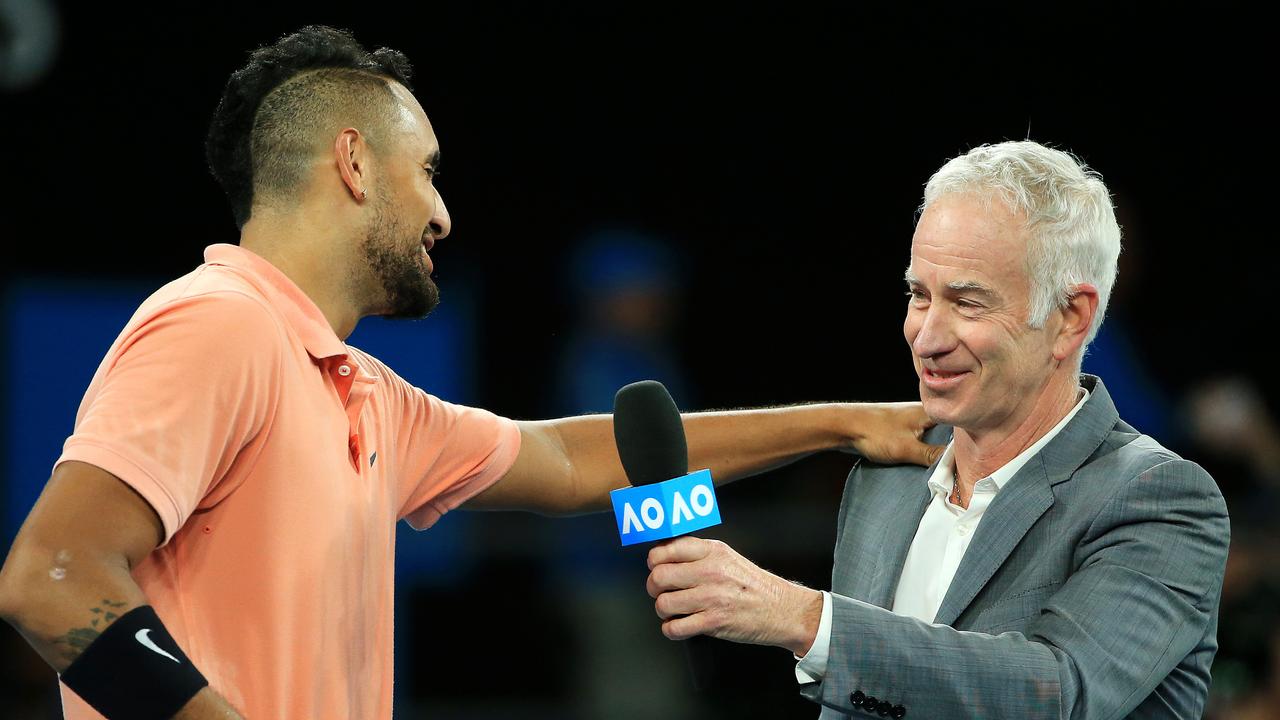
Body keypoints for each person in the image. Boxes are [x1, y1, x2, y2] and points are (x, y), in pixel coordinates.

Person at [0, 25, 941, 720]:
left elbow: (578, 463)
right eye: (430, 172)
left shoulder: (363, 392)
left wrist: (846, 422)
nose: (443, 214)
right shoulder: (217, 326)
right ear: (355, 163)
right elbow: (49, 577)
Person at [646, 140, 1231, 718]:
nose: (925, 337)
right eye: (918, 295)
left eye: (968, 303)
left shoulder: (1161, 498)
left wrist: (803, 618)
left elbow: (1059, 695)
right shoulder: (888, 477)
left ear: (1068, 318)